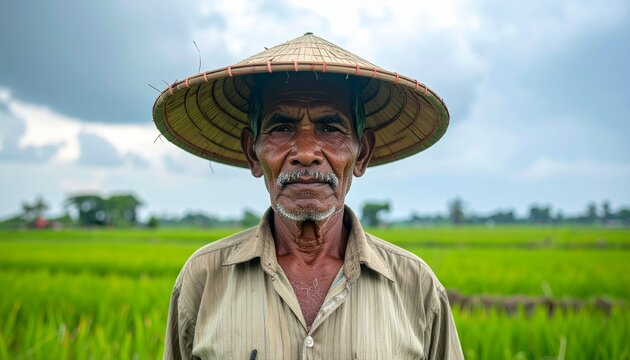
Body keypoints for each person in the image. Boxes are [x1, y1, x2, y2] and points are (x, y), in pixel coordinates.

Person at [154, 33, 463, 360]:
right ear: (252, 153)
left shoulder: (416, 287)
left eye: (330, 128)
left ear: (362, 155)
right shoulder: (203, 279)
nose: (304, 153)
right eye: (281, 128)